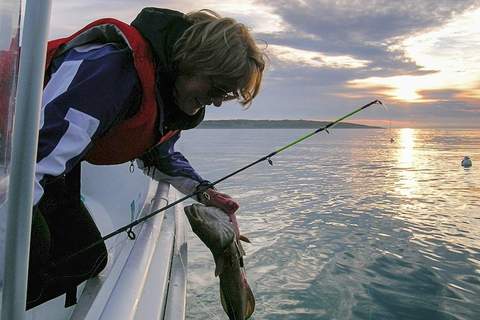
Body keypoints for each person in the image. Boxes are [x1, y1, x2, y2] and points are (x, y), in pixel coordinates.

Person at [28, 7, 265, 309]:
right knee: (30, 246)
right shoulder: (112, 70)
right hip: (14, 159)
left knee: (86, 259)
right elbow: (38, 156)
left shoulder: (164, 96)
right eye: (217, 88)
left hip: (40, 169)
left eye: (226, 94)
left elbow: (160, 155)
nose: (217, 101)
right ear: (194, 61)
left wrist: (206, 193)